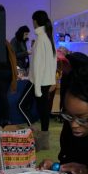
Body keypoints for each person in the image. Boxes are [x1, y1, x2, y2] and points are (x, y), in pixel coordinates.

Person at [28, 10, 57, 150]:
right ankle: (42, 139)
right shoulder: (48, 37)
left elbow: (38, 66)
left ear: (35, 21)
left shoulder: (41, 39)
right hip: (46, 81)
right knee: (43, 111)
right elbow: (53, 62)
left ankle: (38, 137)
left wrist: (37, 87)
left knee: (37, 109)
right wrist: (53, 80)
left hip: (39, 82)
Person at [0, 40, 18, 127]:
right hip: (8, 72)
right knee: (3, 97)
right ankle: (2, 119)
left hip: (1, 72)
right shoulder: (6, 43)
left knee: (2, 97)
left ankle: (5, 119)